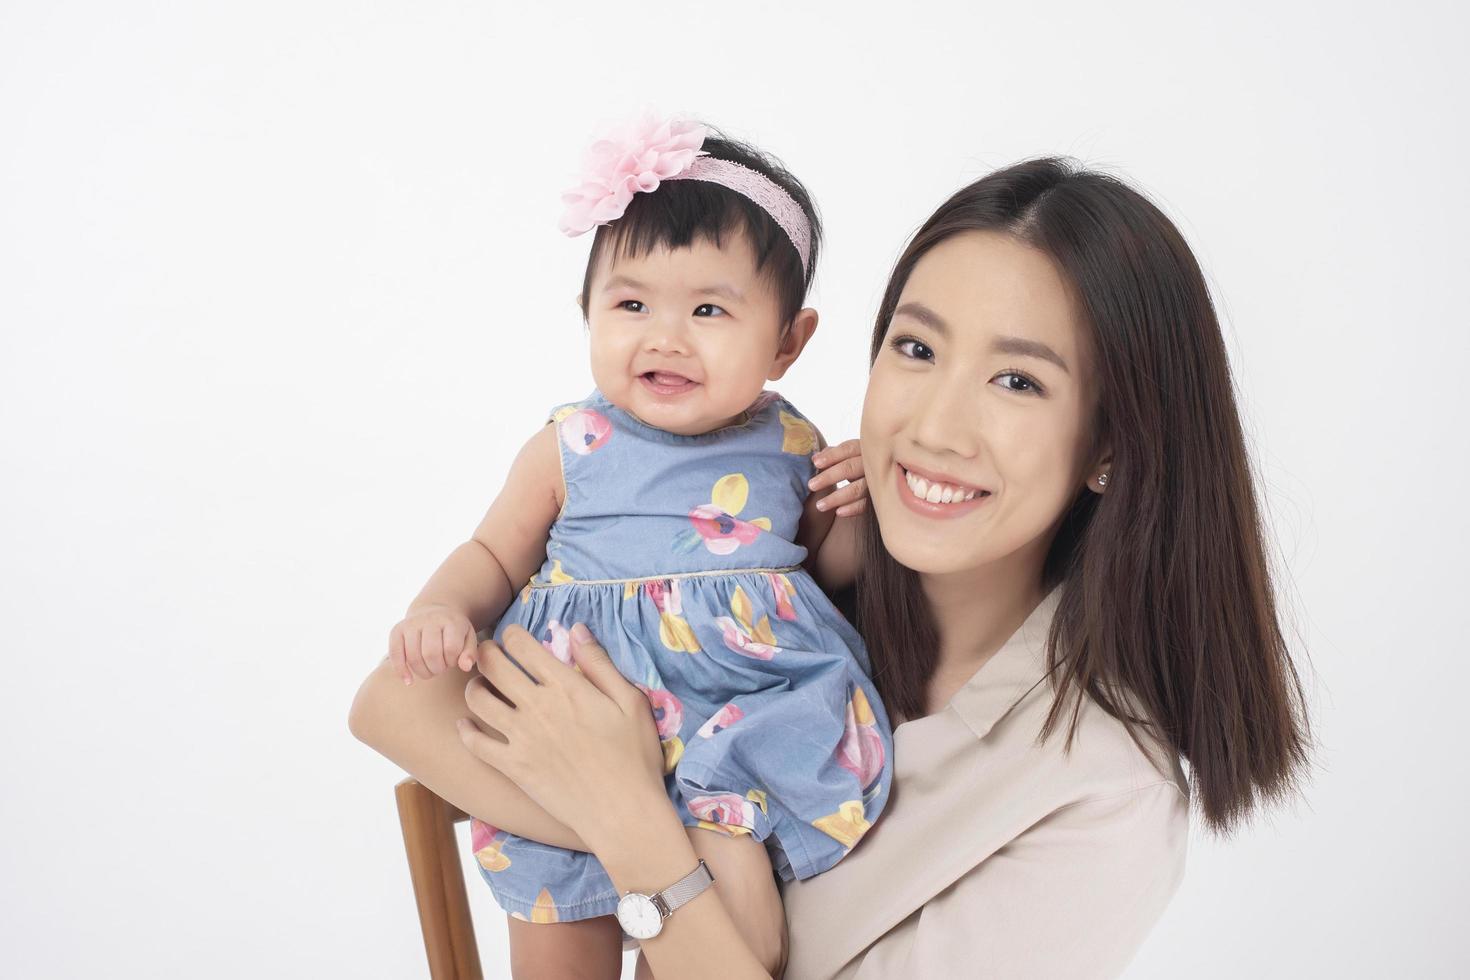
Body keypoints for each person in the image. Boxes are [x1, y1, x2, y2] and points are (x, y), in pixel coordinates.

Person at [350, 156, 1311, 979]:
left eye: (1017, 380)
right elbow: (391, 705)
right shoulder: (776, 587)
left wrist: (628, 822)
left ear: (1114, 441)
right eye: (916, 347)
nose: (934, 425)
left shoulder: (1100, 794)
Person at [353, 115, 893, 978]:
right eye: (632, 303)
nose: (665, 336)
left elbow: (824, 578)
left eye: (709, 310)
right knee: (559, 937)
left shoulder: (791, 445)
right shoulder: (570, 446)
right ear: (587, 314)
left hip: (732, 745)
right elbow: (493, 555)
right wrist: (442, 606)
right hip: (564, 733)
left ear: (788, 342)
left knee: (733, 932)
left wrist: (856, 511)